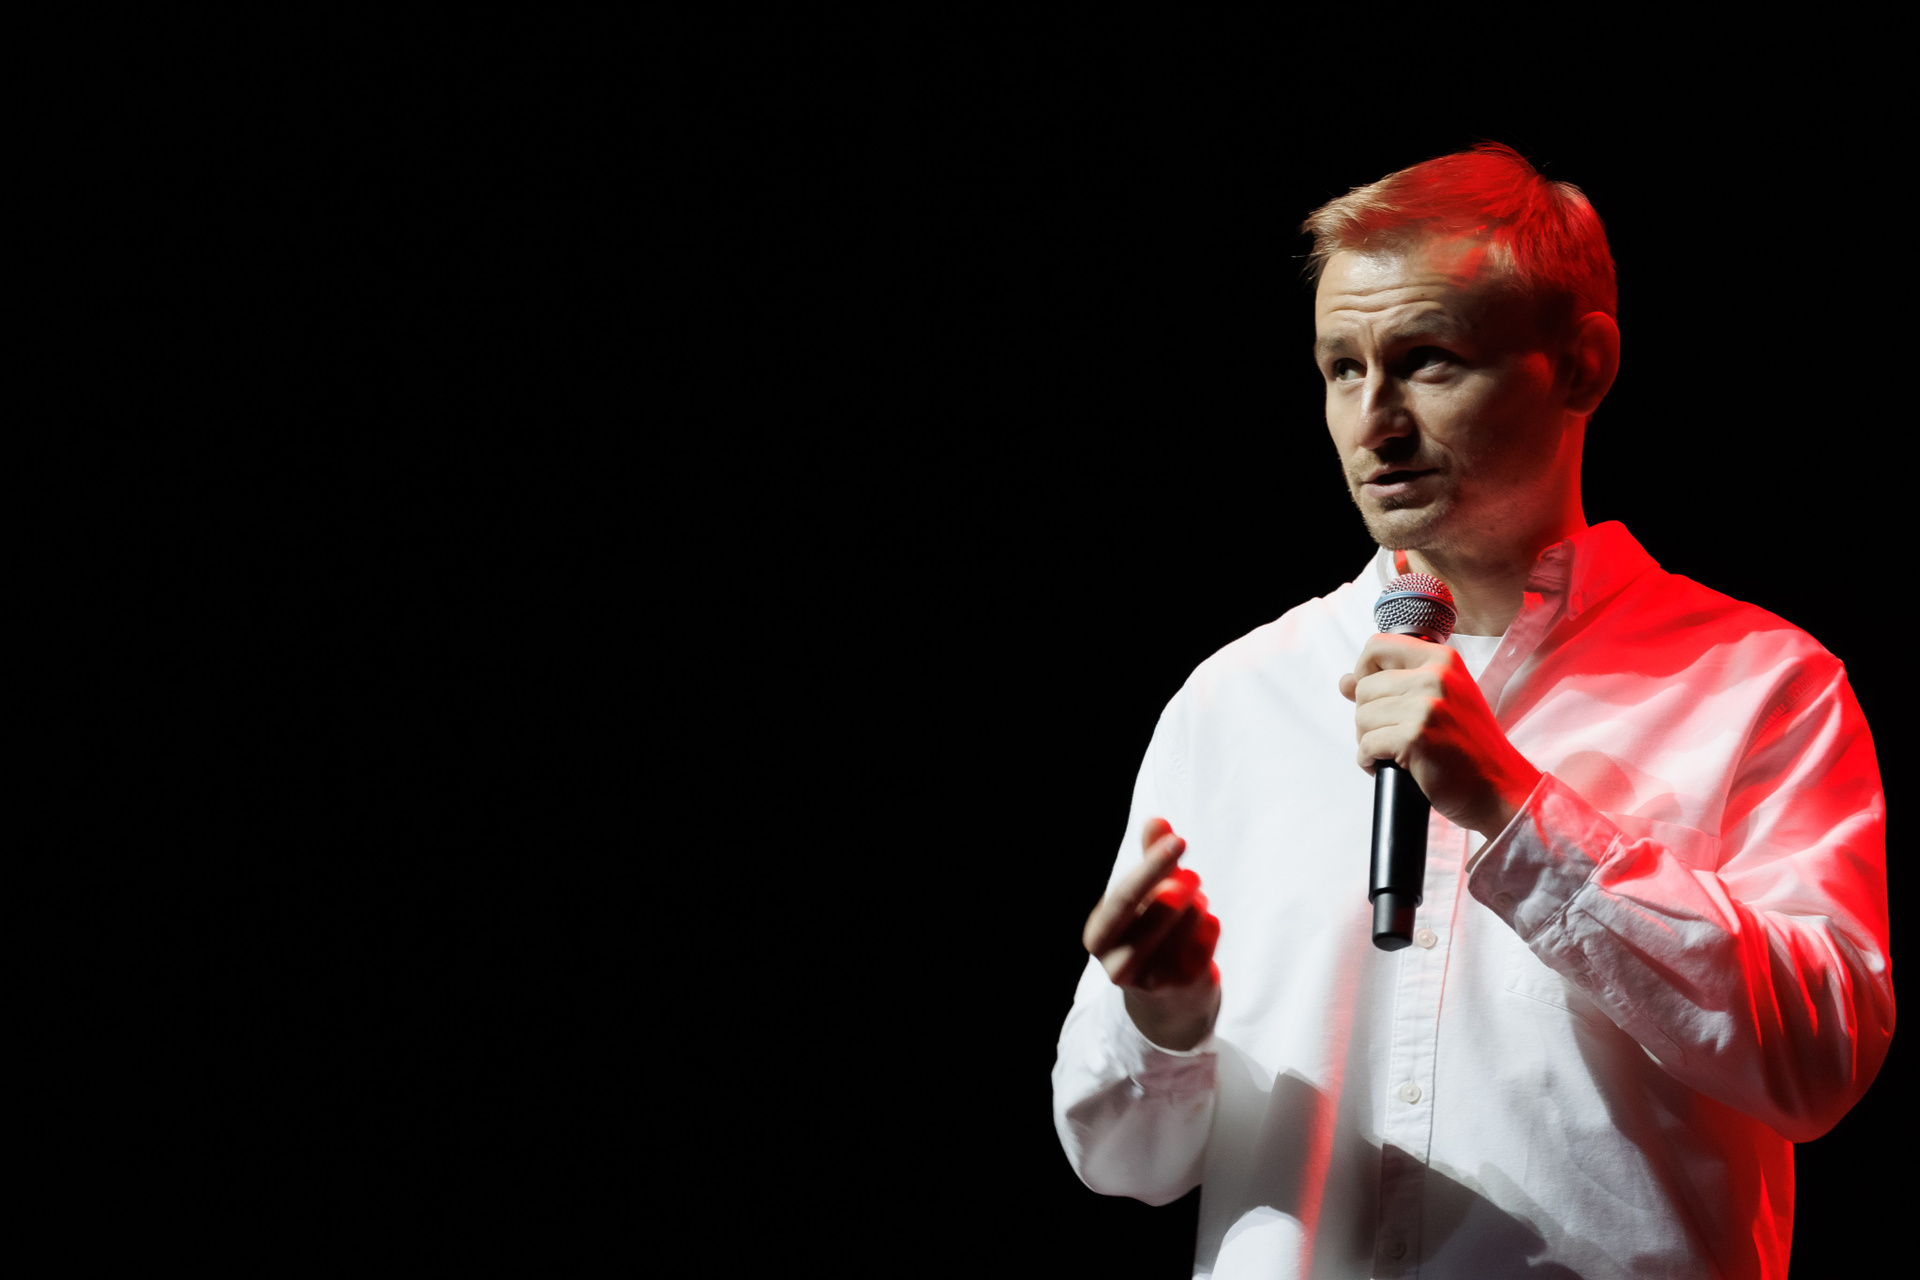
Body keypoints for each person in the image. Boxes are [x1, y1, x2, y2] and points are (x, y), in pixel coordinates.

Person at [1050, 143, 1892, 1279]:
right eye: (1341, 368)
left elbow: (1819, 1061)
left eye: (1426, 360)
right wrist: (1164, 1019)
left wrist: (1517, 809)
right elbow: (1118, 1162)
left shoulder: (1757, 683)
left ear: (1583, 365)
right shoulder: (1237, 699)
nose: (1374, 421)